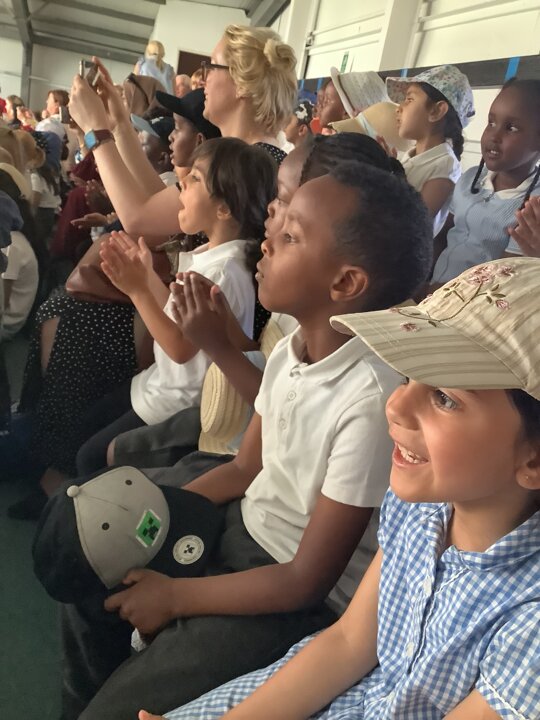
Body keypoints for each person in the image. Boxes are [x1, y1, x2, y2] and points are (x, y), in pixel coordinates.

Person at [59, 158, 432, 720]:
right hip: (241, 527)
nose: (267, 240)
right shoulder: (291, 350)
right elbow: (243, 468)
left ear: (345, 283)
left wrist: (175, 596)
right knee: (90, 578)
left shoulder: (372, 396)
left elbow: (306, 580)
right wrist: (160, 514)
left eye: (291, 236)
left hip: (289, 596)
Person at [146, 257, 540, 720]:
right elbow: (349, 642)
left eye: (444, 398)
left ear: (533, 460)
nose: (396, 404)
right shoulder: (422, 508)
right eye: (408, 377)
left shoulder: (530, 613)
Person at [109, 133, 408, 472]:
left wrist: (217, 343)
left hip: (220, 429)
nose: (270, 208)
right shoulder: (295, 310)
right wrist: (227, 331)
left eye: (285, 200)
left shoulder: (344, 359)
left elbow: (271, 417)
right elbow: (267, 368)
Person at [74, 137, 276, 475]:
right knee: (86, 423)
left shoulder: (223, 272)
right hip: (161, 383)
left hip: (180, 399)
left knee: (89, 457)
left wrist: (138, 290)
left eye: (195, 178)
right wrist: (147, 276)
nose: (181, 181)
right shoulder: (213, 255)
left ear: (224, 209)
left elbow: (181, 348)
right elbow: (179, 314)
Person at [66, 24, 296, 238]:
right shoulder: (255, 156)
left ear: (242, 85)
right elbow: (157, 200)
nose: (203, 78)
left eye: (212, 66)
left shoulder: (243, 164)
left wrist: (95, 130)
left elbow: (139, 220)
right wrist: (119, 124)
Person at [432, 78, 540, 284]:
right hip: (432, 290)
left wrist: (434, 294)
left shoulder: (533, 207)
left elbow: (502, 279)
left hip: (474, 299)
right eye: (491, 123)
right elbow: (442, 237)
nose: (494, 136)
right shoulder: (470, 179)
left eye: (511, 128)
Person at [385, 64, 474, 237]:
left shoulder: (445, 165)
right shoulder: (408, 156)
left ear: (436, 111)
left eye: (409, 99)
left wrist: (392, 174)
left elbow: (414, 223)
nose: (399, 107)